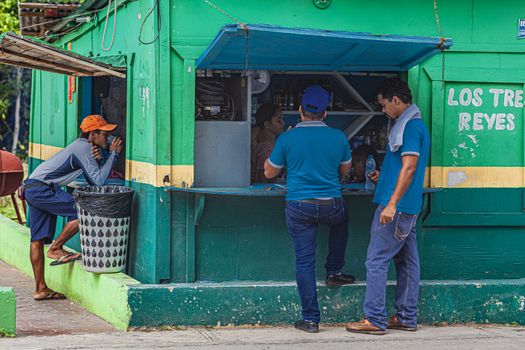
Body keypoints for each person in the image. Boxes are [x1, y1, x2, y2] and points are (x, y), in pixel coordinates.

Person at [264, 85, 355, 333]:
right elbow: (346, 171)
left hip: (299, 205)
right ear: (325, 113)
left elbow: (269, 172)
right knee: (342, 220)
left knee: (304, 262)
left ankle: (311, 319)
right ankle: (334, 270)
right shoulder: (338, 137)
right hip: (331, 204)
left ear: (301, 110)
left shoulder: (287, 138)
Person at [346, 78, 430, 335]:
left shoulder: (411, 127)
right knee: (407, 262)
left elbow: (410, 166)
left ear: (396, 100)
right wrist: (382, 175)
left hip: (398, 207)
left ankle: (374, 319)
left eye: (384, 104)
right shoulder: (408, 124)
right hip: (408, 205)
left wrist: (391, 203)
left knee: (376, 260)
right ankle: (406, 316)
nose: (383, 110)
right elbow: (401, 166)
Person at [23, 114, 123, 301]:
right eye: (104, 134)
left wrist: (100, 160)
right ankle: (56, 249)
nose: (108, 138)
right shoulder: (83, 147)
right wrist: (114, 154)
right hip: (43, 188)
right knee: (83, 213)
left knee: (36, 240)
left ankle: (40, 289)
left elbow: (90, 175)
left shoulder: (83, 147)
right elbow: (98, 182)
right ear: (92, 135)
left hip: (32, 188)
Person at [251, 103, 285, 183]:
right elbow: (264, 181)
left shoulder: (256, 132)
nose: (283, 123)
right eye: (279, 121)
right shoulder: (267, 149)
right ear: (267, 124)